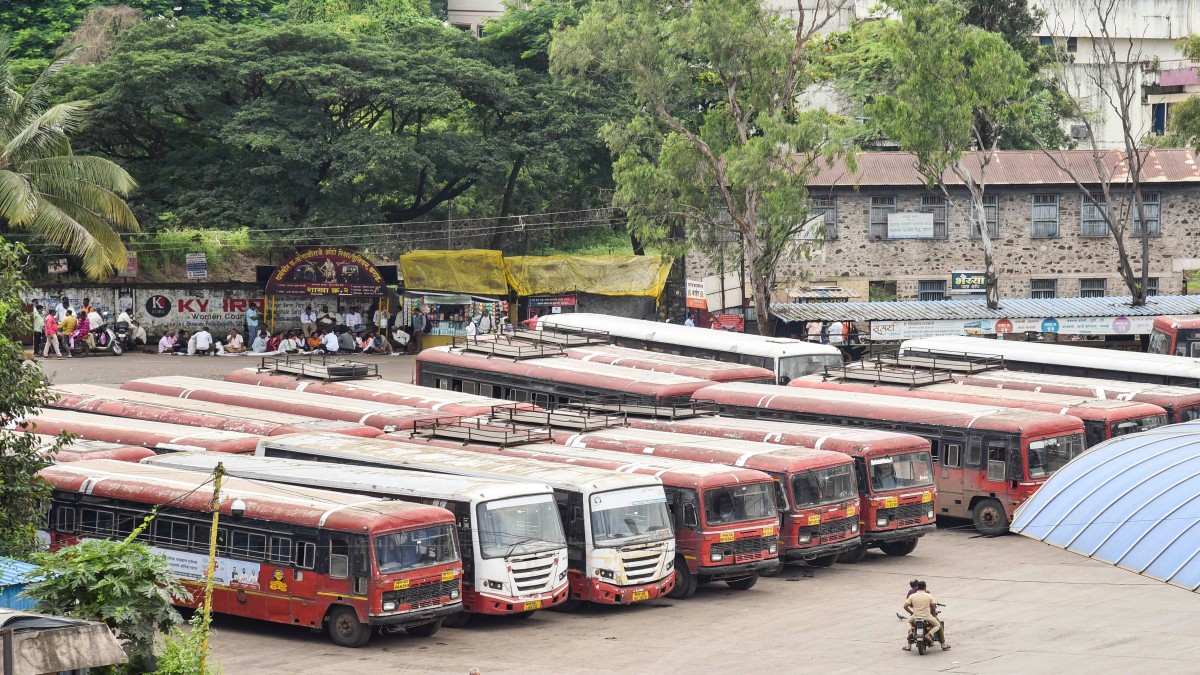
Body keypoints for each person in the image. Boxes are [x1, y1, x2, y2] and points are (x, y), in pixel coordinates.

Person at [903, 580, 949, 651]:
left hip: (915, 616)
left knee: (908, 622)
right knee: (938, 625)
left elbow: (905, 606)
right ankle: (931, 636)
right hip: (927, 616)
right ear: (925, 587)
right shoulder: (929, 596)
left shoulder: (912, 596)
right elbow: (933, 607)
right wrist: (934, 615)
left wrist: (911, 612)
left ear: (918, 587)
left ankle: (910, 635)